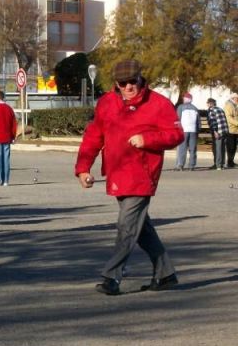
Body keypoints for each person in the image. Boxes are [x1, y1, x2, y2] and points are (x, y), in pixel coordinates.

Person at [75, 59, 183, 296]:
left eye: (132, 82)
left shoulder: (158, 104)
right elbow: (93, 136)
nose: (128, 87)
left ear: (140, 79)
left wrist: (147, 139)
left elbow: (176, 134)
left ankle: (111, 277)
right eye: (122, 83)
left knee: (126, 226)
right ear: (116, 83)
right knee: (140, 227)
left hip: (143, 175)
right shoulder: (107, 103)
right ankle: (165, 274)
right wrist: (83, 167)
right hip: (117, 173)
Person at [175, 92, 199, 170]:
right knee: (193, 149)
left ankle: (181, 165)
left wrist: (177, 130)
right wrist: (197, 130)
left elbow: (177, 119)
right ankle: (191, 165)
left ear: (185, 99)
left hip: (184, 130)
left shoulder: (181, 107)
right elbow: (198, 121)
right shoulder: (195, 108)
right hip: (193, 130)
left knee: (182, 148)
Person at [206, 97, 228, 170]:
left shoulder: (211, 110)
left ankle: (218, 165)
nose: (207, 105)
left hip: (218, 131)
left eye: (208, 103)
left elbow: (213, 122)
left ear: (210, 103)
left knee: (217, 148)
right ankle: (222, 164)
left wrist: (215, 131)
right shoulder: (220, 109)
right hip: (225, 130)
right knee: (222, 148)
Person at [224, 93, 238, 168]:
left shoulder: (234, 105)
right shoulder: (229, 105)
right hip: (231, 129)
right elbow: (229, 118)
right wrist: (237, 123)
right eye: (237, 98)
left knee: (234, 147)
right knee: (231, 147)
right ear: (233, 98)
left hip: (235, 129)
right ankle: (229, 162)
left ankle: (231, 162)